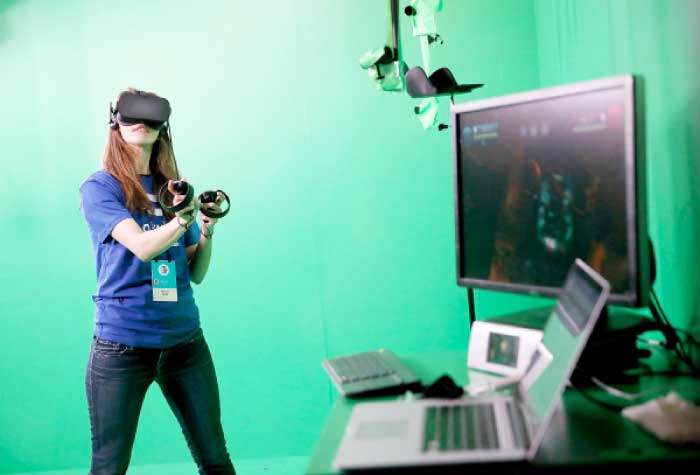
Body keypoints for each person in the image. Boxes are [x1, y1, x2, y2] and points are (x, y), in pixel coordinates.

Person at [79, 88, 236, 475]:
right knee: (109, 466)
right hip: (123, 345)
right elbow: (142, 247)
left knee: (215, 458)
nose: (140, 123)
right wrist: (182, 219)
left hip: (185, 342)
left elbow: (195, 272)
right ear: (114, 120)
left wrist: (206, 227)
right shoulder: (101, 187)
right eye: (131, 115)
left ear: (162, 126)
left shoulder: (172, 189)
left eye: (150, 117)